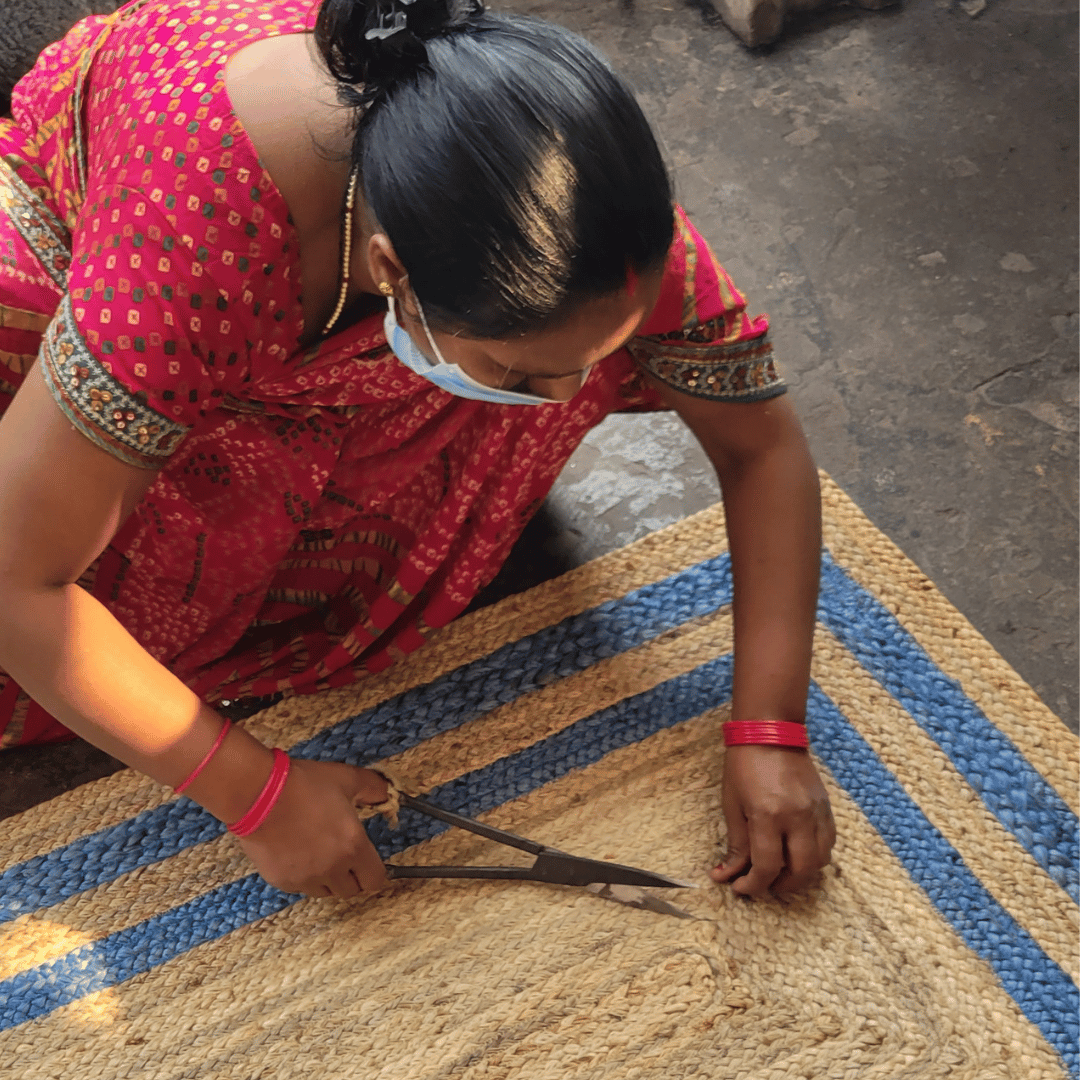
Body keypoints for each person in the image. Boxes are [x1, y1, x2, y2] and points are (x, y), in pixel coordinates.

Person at [0, 0, 834, 901]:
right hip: (100, 249)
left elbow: (761, 445)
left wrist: (769, 728)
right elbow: (15, 577)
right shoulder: (192, 245)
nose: (561, 406)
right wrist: (255, 793)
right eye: (519, 375)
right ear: (393, 271)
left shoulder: (569, 219)